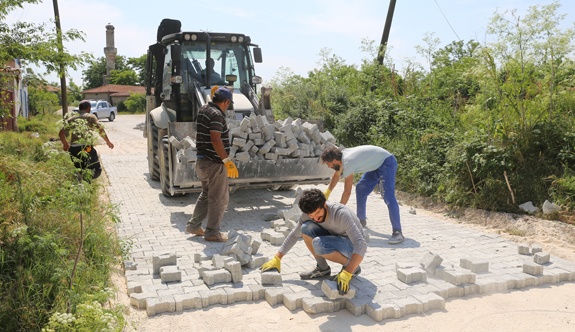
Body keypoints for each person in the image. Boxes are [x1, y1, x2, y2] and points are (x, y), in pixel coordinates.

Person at [260, 188, 366, 295]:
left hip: (352, 247)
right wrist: (277, 258)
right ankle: (322, 268)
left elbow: (361, 244)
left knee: (319, 244)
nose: (315, 218)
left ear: (324, 204)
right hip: (335, 238)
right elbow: (294, 235)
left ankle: (353, 268)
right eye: (311, 215)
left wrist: (348, 272)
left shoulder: (341, 214)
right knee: (305, 228)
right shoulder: (308, 214)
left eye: (318, 213)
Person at [185, 87, 238, 242]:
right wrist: (227, 161)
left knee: (207, 194)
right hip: (214, 163)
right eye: (228, 103)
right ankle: (212, 233)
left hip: (202, 161)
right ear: (226, 102)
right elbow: (216, 139)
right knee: (219, 199)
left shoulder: (203, 109)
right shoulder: (216, 115)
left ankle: (193, 226)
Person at [321, 145, 404, 244]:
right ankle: (361, 221)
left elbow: (347, 192)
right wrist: (327, 192)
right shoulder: (341, 158)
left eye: (328, 163)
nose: (328, 166)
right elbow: (337, 175)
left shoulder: (348, 162)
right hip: (375, 165)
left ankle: (398, 232)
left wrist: (338, 211)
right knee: (361, 188)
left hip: (386, 162)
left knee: (388, 197)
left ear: (334, 160)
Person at [58, 100, 114, 181]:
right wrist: (108, 142)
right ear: (89, 108)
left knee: (79, 170)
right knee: (96, 170)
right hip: (86, 148)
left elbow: (61, 133)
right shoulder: (90, 117)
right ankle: (86, 184)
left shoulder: (72, 119)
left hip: (73, 149)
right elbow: (100, 129)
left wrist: (65, 144)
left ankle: (82, 185)